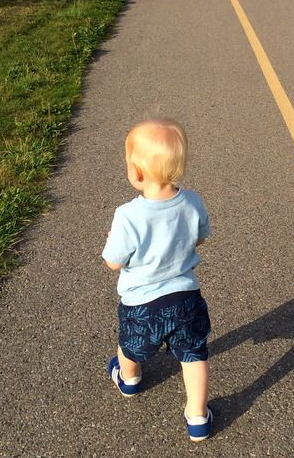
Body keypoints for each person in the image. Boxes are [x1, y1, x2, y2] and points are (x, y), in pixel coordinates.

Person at [102, 118, 213, 440]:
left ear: (135, 173)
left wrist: (113, 239)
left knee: (131, 347)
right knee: (194, 354)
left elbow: (113, 262)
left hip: (142, 304)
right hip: (186, 299)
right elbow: (200, 238)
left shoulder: (128, 216)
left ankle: (129, 379)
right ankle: (197, 417)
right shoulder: (192, 201)